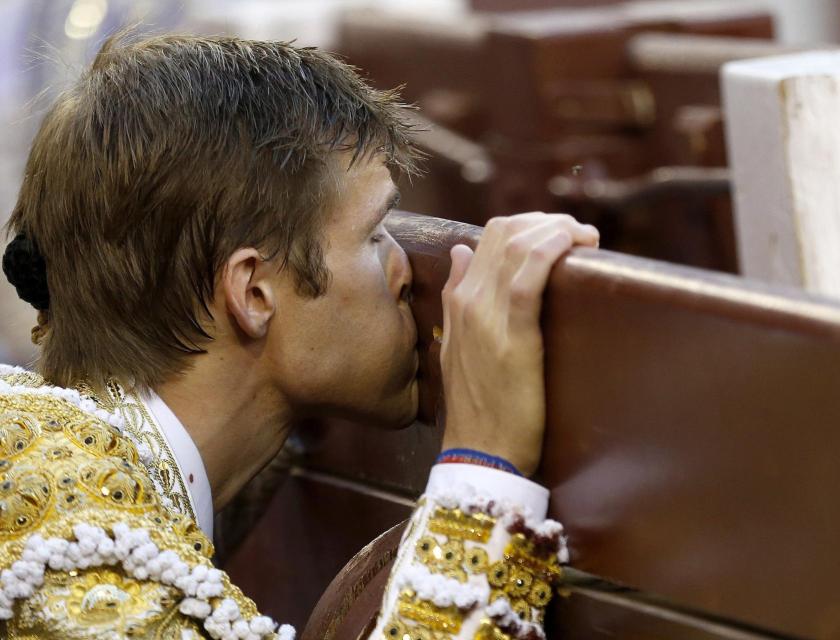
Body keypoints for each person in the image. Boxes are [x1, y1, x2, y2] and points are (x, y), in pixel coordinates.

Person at [0, 32, 599, 639]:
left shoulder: (64, 475)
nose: (405, 271)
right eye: (374, 235)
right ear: (254, 294)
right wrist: (484, 471)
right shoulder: (83, 557)